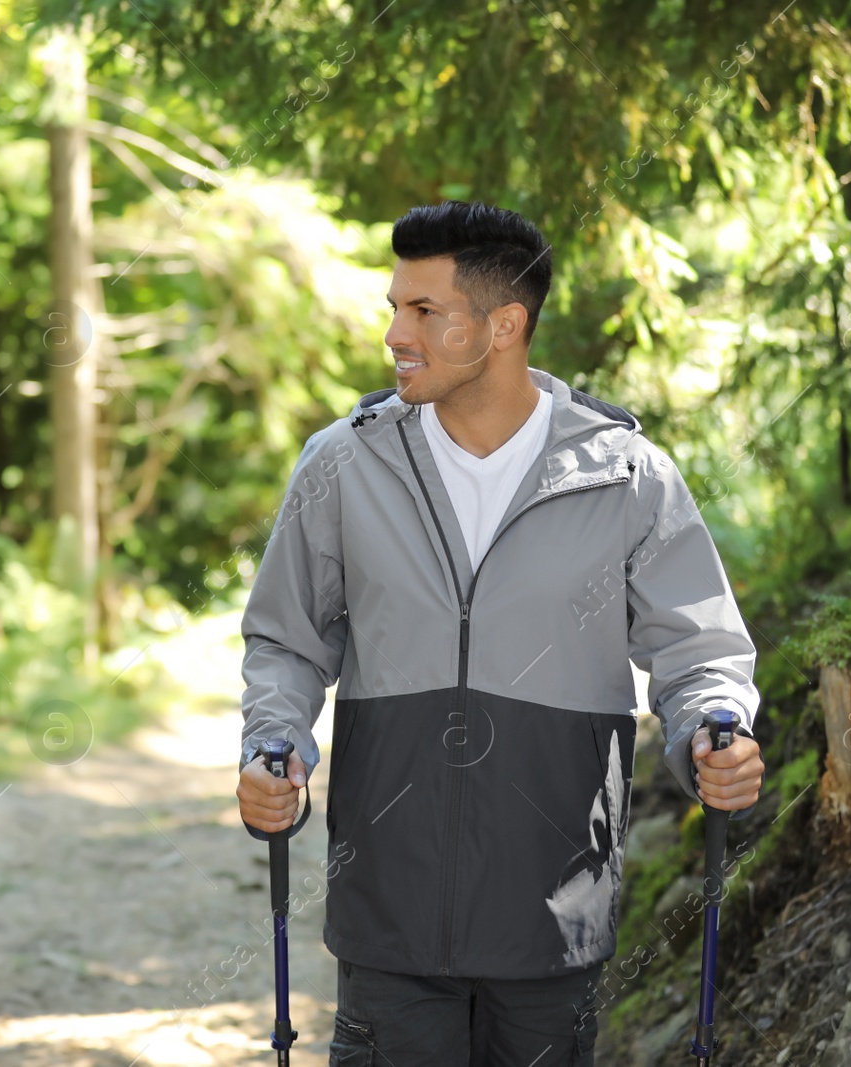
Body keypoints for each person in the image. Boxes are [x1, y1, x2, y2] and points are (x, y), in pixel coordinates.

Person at [235, 200, 765, 1066]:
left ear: (504, 324)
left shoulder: (626, 474)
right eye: (395, 308)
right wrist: (274, 739)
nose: (395, 334)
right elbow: (287, 640)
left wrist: (717, 732)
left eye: (424, 312)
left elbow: (698, 648)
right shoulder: (343, 463)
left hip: (552, 918)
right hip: (388, 915)